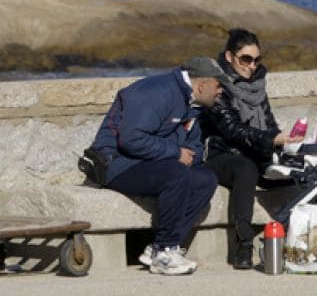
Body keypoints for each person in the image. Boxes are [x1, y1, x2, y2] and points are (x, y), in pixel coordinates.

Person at [90, 56, 226, 275]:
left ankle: (159, 249)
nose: (221, 92)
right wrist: (175, 153)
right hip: (116, 163)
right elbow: (130, 139)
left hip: (152, 162)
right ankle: (165, 251)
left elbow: (194, 146)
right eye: (219, 86)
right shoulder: (155, 92)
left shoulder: (194, 103)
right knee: (177, 174)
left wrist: (188, 156)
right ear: (202, 85)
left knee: (205, 179)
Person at [200, 28, 303, 270]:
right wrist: (272, 140)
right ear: (229, 57)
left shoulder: (257, 85)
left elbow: (268, 123)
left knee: (296, 172)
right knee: (246, 169)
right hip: (221, 154)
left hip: (255, 151)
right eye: (246, 59)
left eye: (256, 59)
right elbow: (232, 130)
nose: (252, 65)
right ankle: (243, 246)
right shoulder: (216, 87)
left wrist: (285, 141)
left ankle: (306, 237)